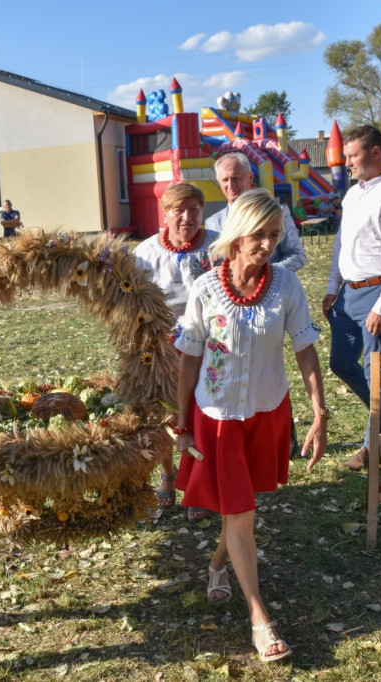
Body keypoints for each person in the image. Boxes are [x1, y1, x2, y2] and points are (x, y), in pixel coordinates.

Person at [173, 188, 326, 662]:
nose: (267, 246)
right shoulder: (204, 290)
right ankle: (260, 620)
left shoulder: (286, 287)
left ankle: (218, 565)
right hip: (217, 419)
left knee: (241, 509)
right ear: (237, 235)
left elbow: (304, 349)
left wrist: (319, 413)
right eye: (259, 235)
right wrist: (182, 425)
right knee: (241, 514)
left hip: (266, 413)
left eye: (275, 236)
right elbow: (188, 361)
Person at [323, 125, 381, 471]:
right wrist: (334, 287)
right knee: (341, 362)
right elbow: (341, 244)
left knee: (378, 371)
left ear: (376, 153)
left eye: (353, 155)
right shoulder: (353, 194)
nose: (347, 163)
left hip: (380, 290)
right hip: (350, 292)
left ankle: (371, 445)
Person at [134, 182, 220, 522]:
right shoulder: (144, 253)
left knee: (201, 416)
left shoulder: (217, 247)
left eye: (194, 210)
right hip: (160, 348)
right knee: (164, 417)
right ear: (165, 214)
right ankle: (168, 472)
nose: (187, 217)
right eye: (178, 210)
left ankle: (197, 485)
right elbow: (131, 300)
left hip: (209, 345)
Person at [206, 152, 306, 270]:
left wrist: (266, 276)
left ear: (250, 178)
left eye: (235, 178)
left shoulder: (278, 212)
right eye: (225, 180)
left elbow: (297, 255)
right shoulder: (212, 222)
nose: (230, 185)